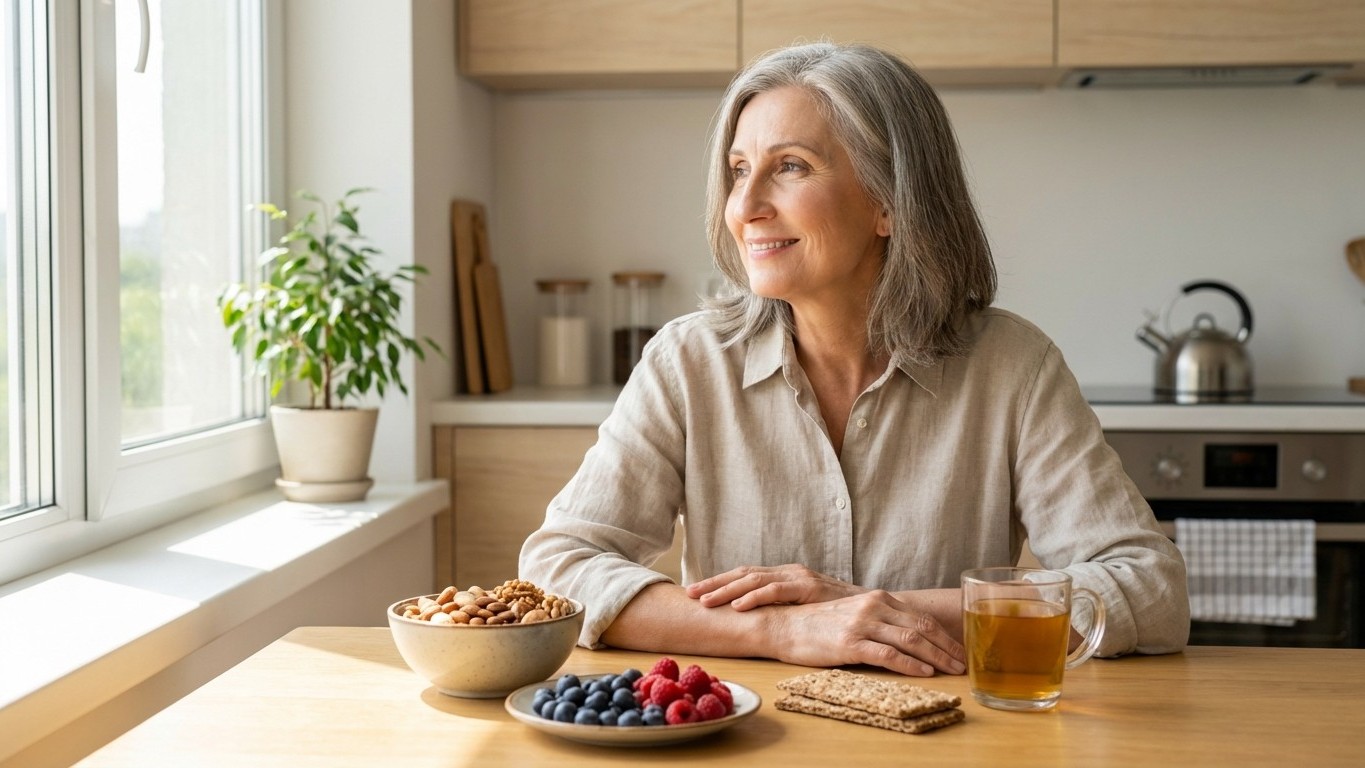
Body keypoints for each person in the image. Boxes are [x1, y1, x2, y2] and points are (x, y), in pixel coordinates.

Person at [519, 41, 1189, 677]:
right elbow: (559, 568)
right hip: (748, 733)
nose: (744, 208)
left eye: (790, 167)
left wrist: (881, 613)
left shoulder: (1013, 366)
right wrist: (782, 630)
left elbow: (1149, 590)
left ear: (889, 202)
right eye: (739, 171)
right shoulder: (687, 362)